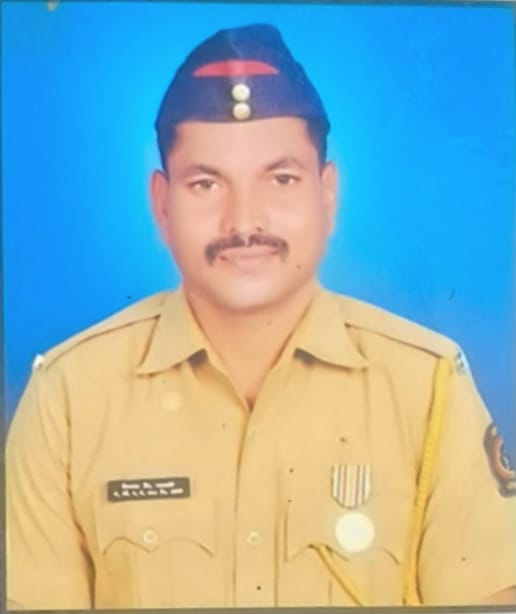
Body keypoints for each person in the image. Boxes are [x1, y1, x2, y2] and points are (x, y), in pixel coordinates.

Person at [6, 23, 516, 610]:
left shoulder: (429, 388)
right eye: (206, 183)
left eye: (281, 179)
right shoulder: (68, 399)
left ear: (327, 193)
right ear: (162, 203)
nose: (244, 221)